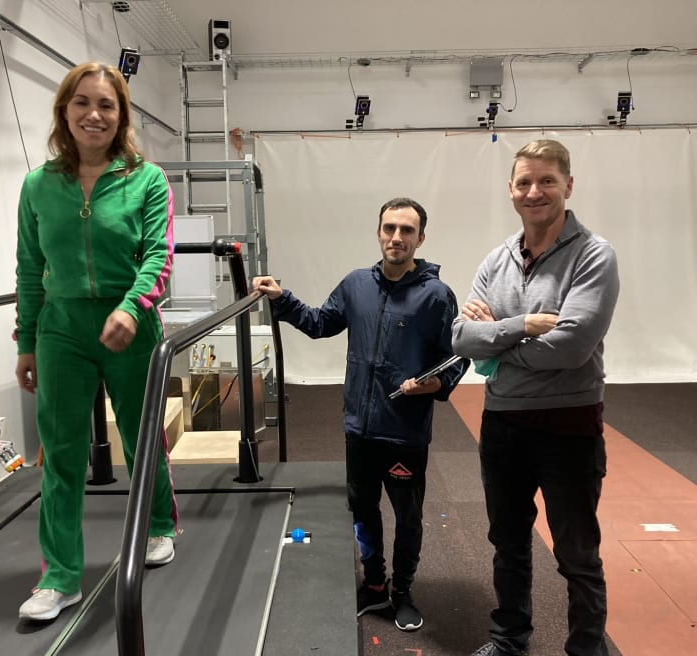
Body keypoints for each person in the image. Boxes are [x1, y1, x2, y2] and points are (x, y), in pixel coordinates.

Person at [252, 197, 468, 633]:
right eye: (390, 228)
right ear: (378, 233)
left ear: (420, 239)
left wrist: (437, 384)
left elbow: (456, 357)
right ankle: (373, 585)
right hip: (359, 429)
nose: (397, 238)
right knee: (363, 509)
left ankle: (402, 590)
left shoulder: (436, 296)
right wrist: (282, 299)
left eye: (407, 231)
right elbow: (318, 322)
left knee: (407, 518)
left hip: (404, 433)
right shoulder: (356, 285)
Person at [13, 62, 178, 622]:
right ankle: (60, 576)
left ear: (121, 116)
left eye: (106, 105)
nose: (94, 114)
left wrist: (133, 307)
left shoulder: (147, 179)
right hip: (60, 330)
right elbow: (29, 266)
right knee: (59, 455)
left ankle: (158, 524)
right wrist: (26, 342)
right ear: (65, 110)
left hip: (130, 326)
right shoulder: (38, 185)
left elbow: (157, 255)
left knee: (140, 438)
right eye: (82, 102)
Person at [452, 139, 619, 656]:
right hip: (503, 424)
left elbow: (570, 347)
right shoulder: (495, 260)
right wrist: (522, 326)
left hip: (569, 424)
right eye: (524, 182)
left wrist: (496, 347)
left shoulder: (594, 256)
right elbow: (460, 338)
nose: (535, 191)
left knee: (576, 553)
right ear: (510, 190)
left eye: (547, 180)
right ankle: (508, 638)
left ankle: (587, 648)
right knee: (508, 543)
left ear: (568, 185)